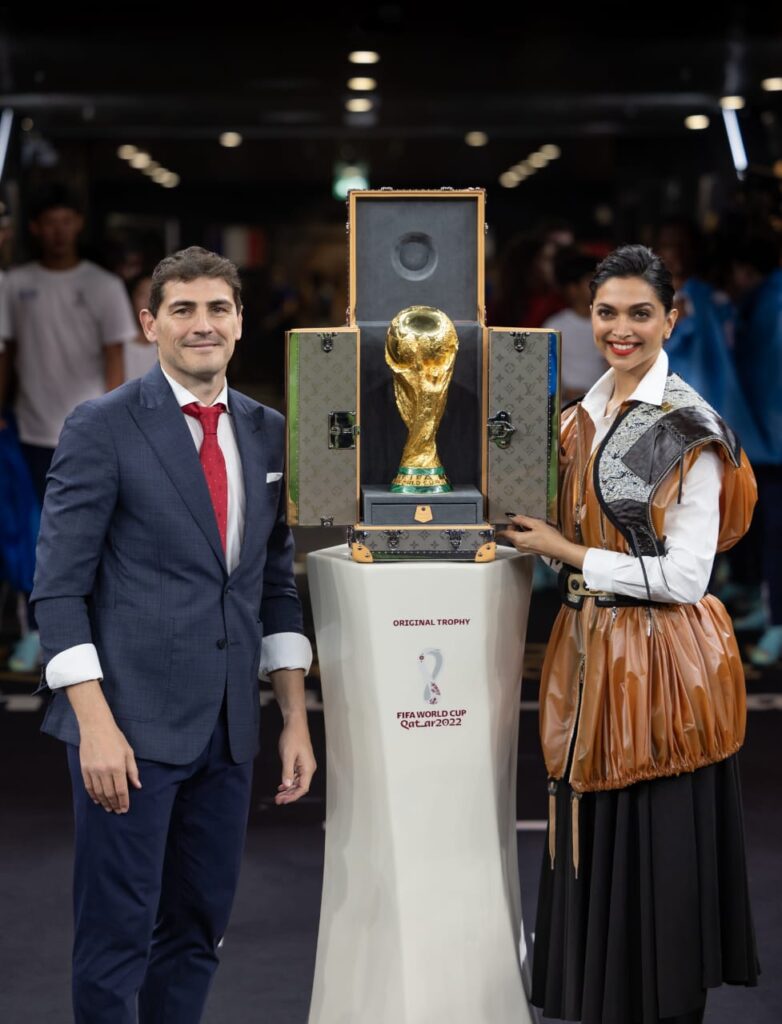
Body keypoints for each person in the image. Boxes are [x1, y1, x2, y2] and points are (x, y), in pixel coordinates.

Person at [31, 245, 317, 1023]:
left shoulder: (267, 430)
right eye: (182, 309)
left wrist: (293, 718)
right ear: (149, 323)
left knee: (198, 931)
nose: (202, 324)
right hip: (128, 730)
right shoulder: (100, 426)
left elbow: (273, 583)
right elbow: (58, 590)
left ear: (240, 321)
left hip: (229, 731)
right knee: (116, 939)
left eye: (217, 308)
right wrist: (95, 728)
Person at [499, 245, 758, 1024]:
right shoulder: (581, 416)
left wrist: (569, 552)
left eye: (640, 313)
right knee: (595, 857)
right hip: (590, 658)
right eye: (607, 312)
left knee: (661, 870)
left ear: (671, 319)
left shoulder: (690, 428)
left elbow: (686, 580)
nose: (622, 328)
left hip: (665, 676)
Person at [0, 183, 136, 670]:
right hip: (30, 431)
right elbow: (6, 352)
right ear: (36, 228)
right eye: (49, 223)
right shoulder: (14, 283)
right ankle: (36, 634)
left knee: (97, 533)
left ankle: (98, 630)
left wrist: (113, 422)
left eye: (66, 221)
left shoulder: (102, 284)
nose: (58, 231)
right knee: (33, 536)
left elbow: (116, 356)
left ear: (77, 224)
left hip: (88, 434)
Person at [542, 246, 606, 401]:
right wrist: (564, 392)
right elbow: (543, 371)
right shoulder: (555, 326)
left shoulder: (609, 324)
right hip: (566, 406)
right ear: (572, 289)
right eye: (591, 281)